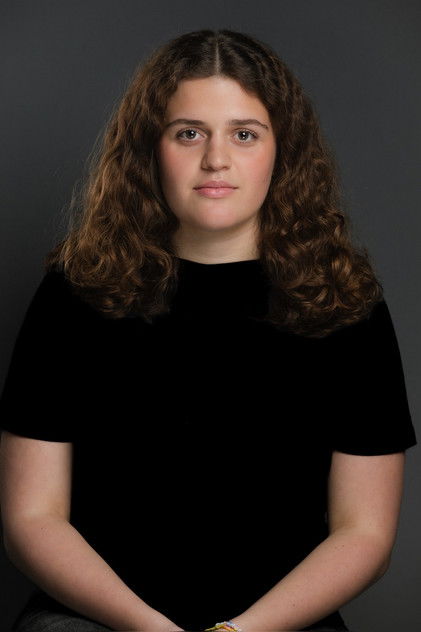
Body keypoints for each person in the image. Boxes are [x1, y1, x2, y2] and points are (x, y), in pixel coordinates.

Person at [0, 28, 417, 632]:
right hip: (95, 620)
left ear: (282, 151)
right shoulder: (74, 293)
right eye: (188, 133)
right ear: (151, 149)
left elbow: (366, 534)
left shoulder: (346, 302)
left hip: (277, 625)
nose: (216, 159)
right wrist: (152, 629)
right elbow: (32, 519)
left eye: (244, 134)